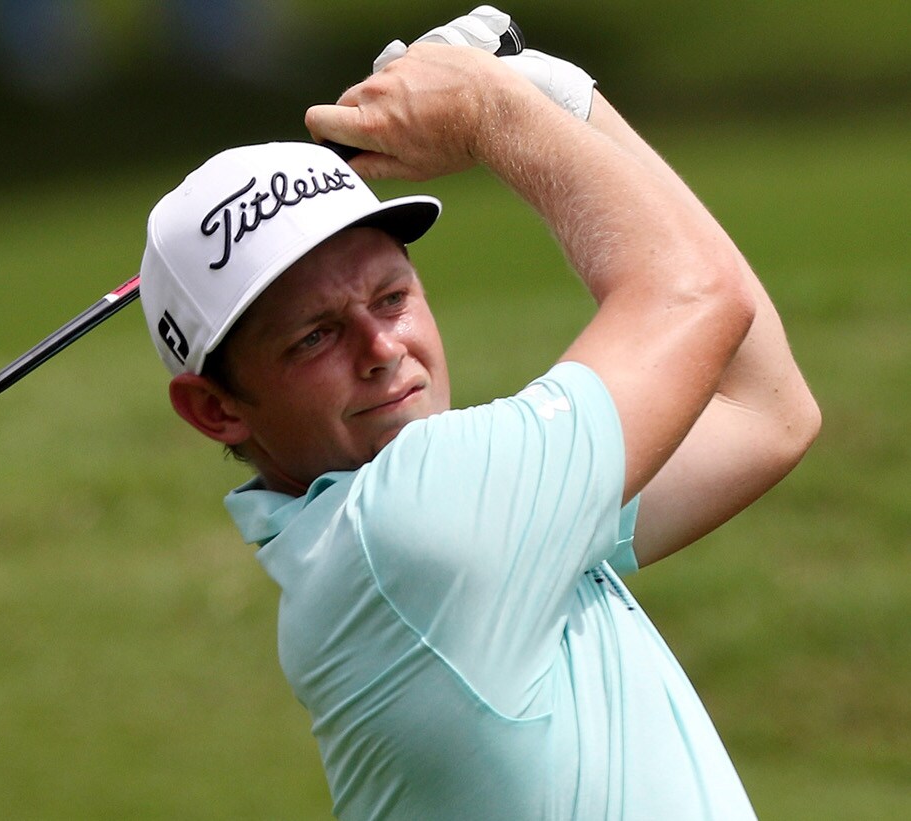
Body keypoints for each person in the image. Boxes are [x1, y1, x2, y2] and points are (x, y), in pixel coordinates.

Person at [136, 8, 819, 820]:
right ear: (214, 409)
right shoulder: (409, 525)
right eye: (314, 336)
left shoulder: (424, 532)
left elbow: (763, 409)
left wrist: (559, 99)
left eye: (391, 297)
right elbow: (699, 294)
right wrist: (497, 110)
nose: (381, 347)